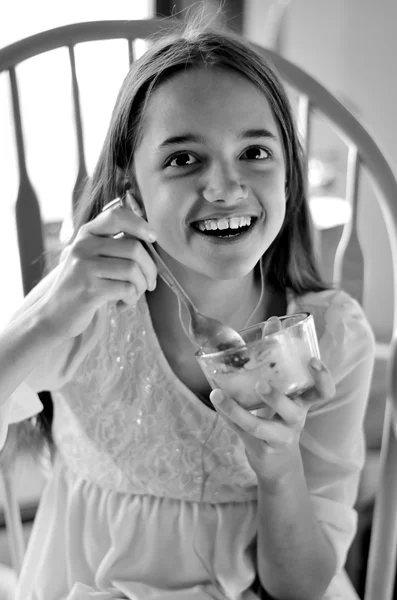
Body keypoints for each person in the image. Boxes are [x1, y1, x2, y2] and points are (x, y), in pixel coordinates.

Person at [0, 17, 375, 600]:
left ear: (290, 173)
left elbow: (301, 587)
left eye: (254, 151)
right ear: (132, 187)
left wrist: (278, 467)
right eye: (183, 159)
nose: (225, 186)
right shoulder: (86, 311)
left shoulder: (332, 336)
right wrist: (47, 311)